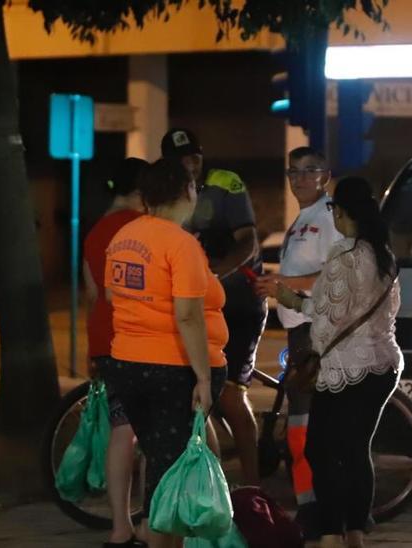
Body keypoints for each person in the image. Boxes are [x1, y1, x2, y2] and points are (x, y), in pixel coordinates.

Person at [101, 159, 227, 548]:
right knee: (168, 471)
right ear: (186, 192)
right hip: (173, 369)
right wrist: (204, 378)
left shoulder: (123, 236)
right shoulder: (180, 243)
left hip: (127, 364)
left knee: (159, 459)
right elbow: (188, 315)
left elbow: (110, 295)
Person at [273, 177, 402, 548]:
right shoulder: (384, 255)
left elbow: (329, 318)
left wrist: (295, 302)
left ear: (341, 212)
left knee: (321, 450)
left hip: (348, 369)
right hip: (384, 364)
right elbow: (386, 311)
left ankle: (331, 533)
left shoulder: (343, 256)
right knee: (356, 450)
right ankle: (355, 533)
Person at [161, 128, 265, 486]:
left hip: (238, 302)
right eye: (181, 159)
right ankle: (210, 481)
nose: (190, 164)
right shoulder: (171, 196)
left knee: (231, 395)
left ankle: (254, 486)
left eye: (195, 156)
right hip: (199, 304)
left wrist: (215, 274)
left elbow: (248, 241)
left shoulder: (225, 184)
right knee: (199, 393)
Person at [255, 146, 343, 536]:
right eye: (294, 172)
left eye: (310, 172)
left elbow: (338, 274)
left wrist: (284, 284)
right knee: (301, 427)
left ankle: (317, 509)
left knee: (304, 427)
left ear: (326, 175)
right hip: (299, 330)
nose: (300, 179)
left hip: (317, 330)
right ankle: (312, 505)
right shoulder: (302, 219)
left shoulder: (326, 217)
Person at [81, 157, 147, 548]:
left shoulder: (94, 233)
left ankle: (120, 527)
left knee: (122, 429)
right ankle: (152, 520)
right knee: (153, 431)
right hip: (138, 339)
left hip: (106, 341)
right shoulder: (141, 228)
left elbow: (92, 295)